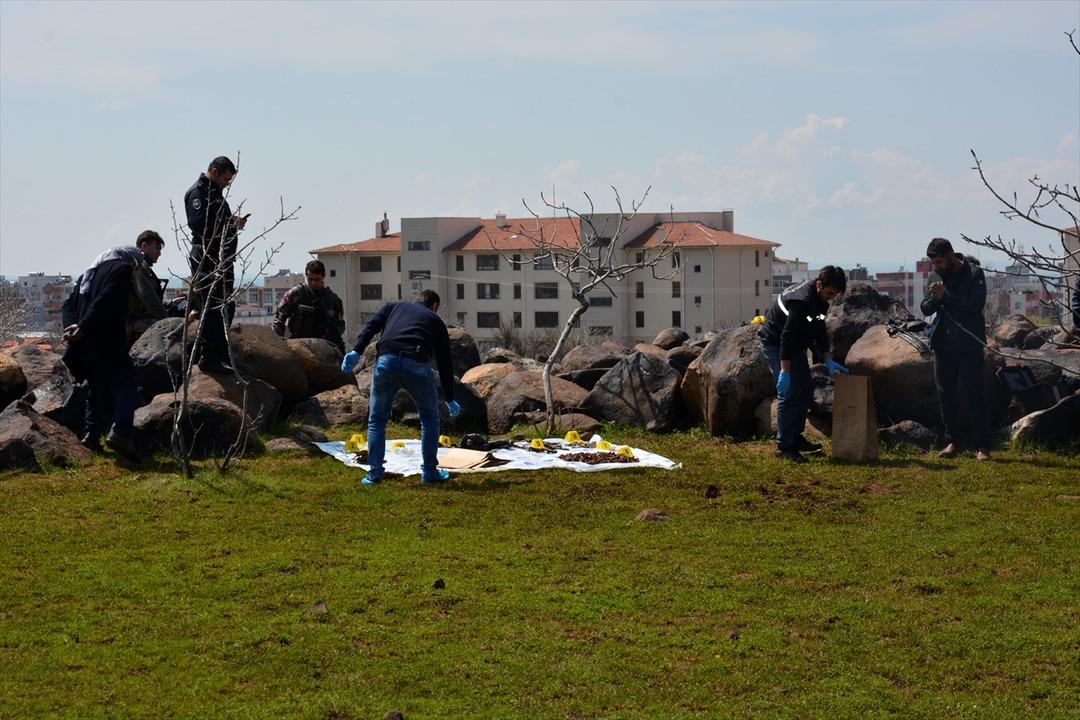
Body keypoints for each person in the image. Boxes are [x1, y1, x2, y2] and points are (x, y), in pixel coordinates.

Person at [340, 289, 461, 485]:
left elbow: (371, 326)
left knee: (377, 420)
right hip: (417, 363)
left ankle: (374, 474)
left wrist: (357, 351)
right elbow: (445, 361)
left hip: (387, 361)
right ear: (434, 307)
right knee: (429, 419)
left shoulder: (393, 306)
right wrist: (449, 397)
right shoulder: (435, 320)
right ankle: (430, 472)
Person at [759, 266, 849, 463]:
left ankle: (796, 437)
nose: (832, 297)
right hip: (776, 344)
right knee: (788, 394)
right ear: (819, 285)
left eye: (835, 294)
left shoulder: (820, 302)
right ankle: (784, 447)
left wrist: (828, 358)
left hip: (796, 344)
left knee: (806, 389)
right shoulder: (801, 301)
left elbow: (819, 330)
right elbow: (787, 337)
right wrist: (785, 371)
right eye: (830, 293)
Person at [61, 246, 143, 462]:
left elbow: (68, 304)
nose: (135, 270)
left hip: (86, 344)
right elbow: (104, 301)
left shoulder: (89, 273)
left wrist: (71, 328)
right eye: (136, 265)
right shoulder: (121, 269)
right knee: (126, 381)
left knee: (97, 387)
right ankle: (122, 434)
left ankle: (91, 434)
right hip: (107, 339)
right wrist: (84, 327)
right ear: (130, 260)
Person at [920, 237, 991, 461]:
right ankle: (952, 441)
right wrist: (934, 297)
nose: (938, 267)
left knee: (975, 394)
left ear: (951, 256)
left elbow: (974, 306)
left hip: (968, 343)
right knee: (946, 394)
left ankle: (982, 445)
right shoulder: (935, 276)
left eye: (940, 262)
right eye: (934, 264)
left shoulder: (974, 274)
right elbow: (925, 308)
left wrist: (946, 296)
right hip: (943, 343)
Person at [185, 155, 248, 374]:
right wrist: (226, 224)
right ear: (213, 171)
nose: (226, 184)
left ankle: (219, 353)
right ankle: (208, 355)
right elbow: (199, 224)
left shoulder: (217, 196)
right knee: (212, 306)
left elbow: (220, 223)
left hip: (222, 259)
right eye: (224, 178)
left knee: (226, 305)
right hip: (207, 257)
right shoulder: (198, 193)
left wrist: (234, 224)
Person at [127, 229, 186, 345]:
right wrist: (167, 321)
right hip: (132, 324)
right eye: (157, 248)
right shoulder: (139, 267)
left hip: (137, 320)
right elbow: (148, 298)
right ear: (144, 246)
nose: (159, 253)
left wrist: (170, 303)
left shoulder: (144, 268)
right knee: (177, 329)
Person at [273, 259, 346, 352]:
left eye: (317, 279)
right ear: (306, 276)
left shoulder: (333, 300)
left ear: (323, 276)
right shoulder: (295, 294)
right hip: (298, 346)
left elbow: (340, 326)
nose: (313, 283)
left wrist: (330, 333)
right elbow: (278, 320)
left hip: (325, 348)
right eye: (310, 279)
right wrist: (279, 343)